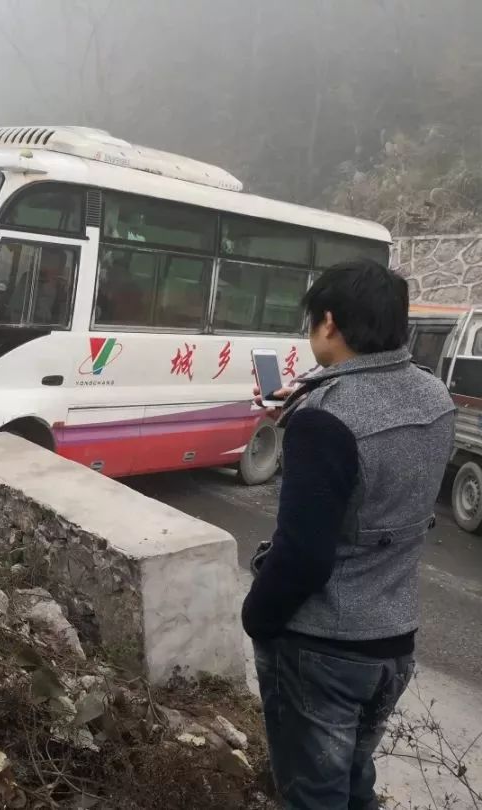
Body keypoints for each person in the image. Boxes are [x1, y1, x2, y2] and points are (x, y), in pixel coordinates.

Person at [242, 258, 455, 810]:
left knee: (313, 796)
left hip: (324, 649)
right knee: (355, 784)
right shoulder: (434, 397)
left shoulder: (327, 418)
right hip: (393, 642)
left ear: (329, 323)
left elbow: (303, 556)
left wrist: (257, 617)